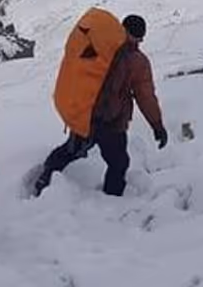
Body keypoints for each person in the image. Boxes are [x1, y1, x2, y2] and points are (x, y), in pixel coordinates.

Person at [34, 14, 167, 197]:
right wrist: (157, 125)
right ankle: (112, 199)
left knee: (72, 151)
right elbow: (145, 96)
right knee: (118, 163)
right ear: (138, 37)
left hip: (86, 114)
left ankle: (46, 176)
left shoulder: (100, 46)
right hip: (111, 121)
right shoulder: (137, 61)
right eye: (139, 38)